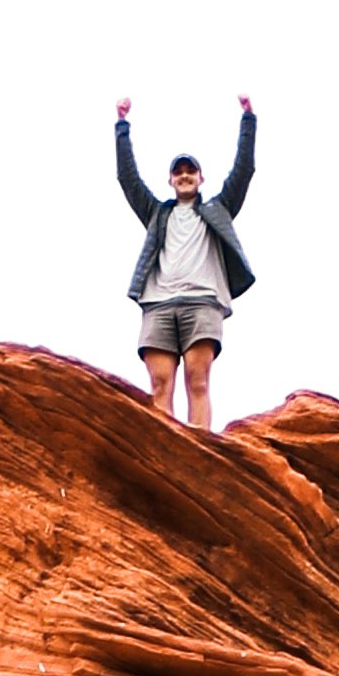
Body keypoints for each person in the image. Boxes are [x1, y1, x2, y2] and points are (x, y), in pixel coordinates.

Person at [112, 90, 258, 427]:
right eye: (178, 172)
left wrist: (248, 118)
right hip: (159, 304)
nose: (184, 176)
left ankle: (200, 448)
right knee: (160, 384)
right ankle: (168, 452)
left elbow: (244, 169)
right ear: (171, 180)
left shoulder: (217, 209)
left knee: (198, 380)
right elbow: (128, 179)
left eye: (190, 171)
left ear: (200, 177)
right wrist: (122, 125)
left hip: (202, 302)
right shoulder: (156, 214)